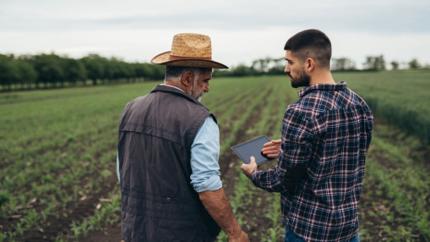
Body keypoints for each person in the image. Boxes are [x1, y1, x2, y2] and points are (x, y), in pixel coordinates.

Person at [241, 29, 373, 241]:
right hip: (348, 228)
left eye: (290, 62)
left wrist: (254, 173)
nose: (286, 69)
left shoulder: (301, 111)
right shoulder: (359, 104)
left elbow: (283, 180)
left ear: (309, 64)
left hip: (309, 231)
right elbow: (343, 151)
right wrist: (289, 145)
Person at [117, 33, 249, 242]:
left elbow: (123, 171)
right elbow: (207, 185)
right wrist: (235, 233)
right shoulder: (200, 119)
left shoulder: (130, 109)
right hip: (182, 233)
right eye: (205, 80)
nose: (207, 87)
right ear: (187, 78)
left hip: (135, 230)